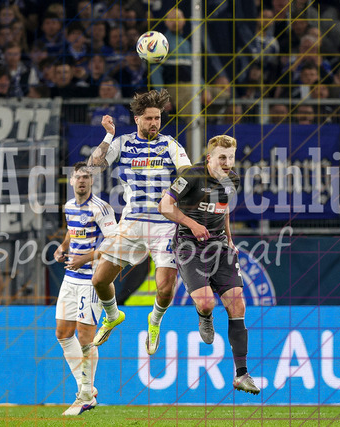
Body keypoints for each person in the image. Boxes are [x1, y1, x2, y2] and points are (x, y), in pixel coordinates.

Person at [87, 89, 192, 355]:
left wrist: (173, 194)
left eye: (157, 118)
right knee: (99, 280)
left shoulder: (170, 144)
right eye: (148, 118)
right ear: (137, 119)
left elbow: (188, 175)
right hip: (131, 223)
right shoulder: (122, 143)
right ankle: (113, 315)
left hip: (164, 224)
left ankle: (154, 320)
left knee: (165, 289)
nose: (154, 123)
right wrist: (108, 136)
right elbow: (93, 167)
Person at [157, 134, 260, 395]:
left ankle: (242, 374)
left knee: (238, 304)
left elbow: (223, 210)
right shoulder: (191, 176)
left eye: (231, 157)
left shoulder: (232, 179)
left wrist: (230, 240)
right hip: (189, 245)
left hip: (219, 246)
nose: (227, 163)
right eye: (222, 157)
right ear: (209, 158)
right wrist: (192, 224)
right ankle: (205, 316)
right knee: (206, 303)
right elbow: (164, 205)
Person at [53, 162, 117, 416]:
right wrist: (63, 247)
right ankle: (86, 388)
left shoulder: (101, 208)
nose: (82, 181)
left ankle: (85, 395)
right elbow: (71, 232)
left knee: (85, 338)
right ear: (71, 181)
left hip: (91, 279)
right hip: (70, 278)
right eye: (78, 177)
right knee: (62, 333)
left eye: (86, 178)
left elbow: (114, 241)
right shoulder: (69, 206)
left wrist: (86, 258)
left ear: (92, 182)